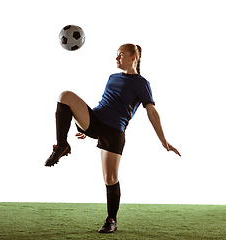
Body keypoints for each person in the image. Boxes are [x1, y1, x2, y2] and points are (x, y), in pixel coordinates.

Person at [45, 44, 181, 233]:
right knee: (65, 96)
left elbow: (151, 112)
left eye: (120, 55)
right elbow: (106, 103)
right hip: (95, 120)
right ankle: (62, 145)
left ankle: (111, 220)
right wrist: (85, 126)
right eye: (116, 55)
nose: (116, 59)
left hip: (114, 131)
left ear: (133, 58)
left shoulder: (142, 83)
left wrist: (163, 140)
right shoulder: (113, 77)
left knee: (110, 178)